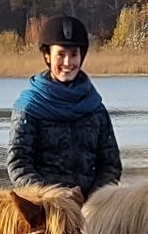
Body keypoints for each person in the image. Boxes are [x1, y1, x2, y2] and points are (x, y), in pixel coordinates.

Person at [6, 14, 122, 199]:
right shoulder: (29, 106)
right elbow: (19, 164)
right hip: (45, 208)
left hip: (91, 207)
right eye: (61, 54)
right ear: (47, 56)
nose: (68, 63)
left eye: (73, 55)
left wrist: (93, 199)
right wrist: (55, 197)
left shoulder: (95, 107)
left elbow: (110, 165)